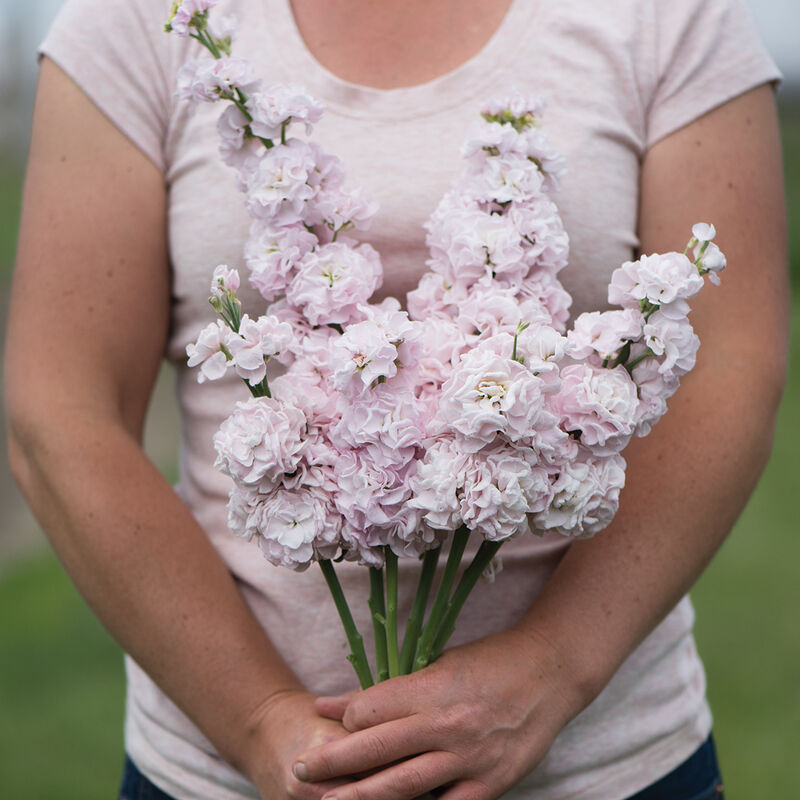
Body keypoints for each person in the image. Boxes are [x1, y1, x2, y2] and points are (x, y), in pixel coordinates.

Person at [5, 0, 789, 798]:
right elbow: (60, 414)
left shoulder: (669, 15)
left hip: (604, 770)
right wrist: (260, 721)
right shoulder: (135, 20)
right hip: (222, 775)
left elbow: (729, 368)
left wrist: (550, 669)